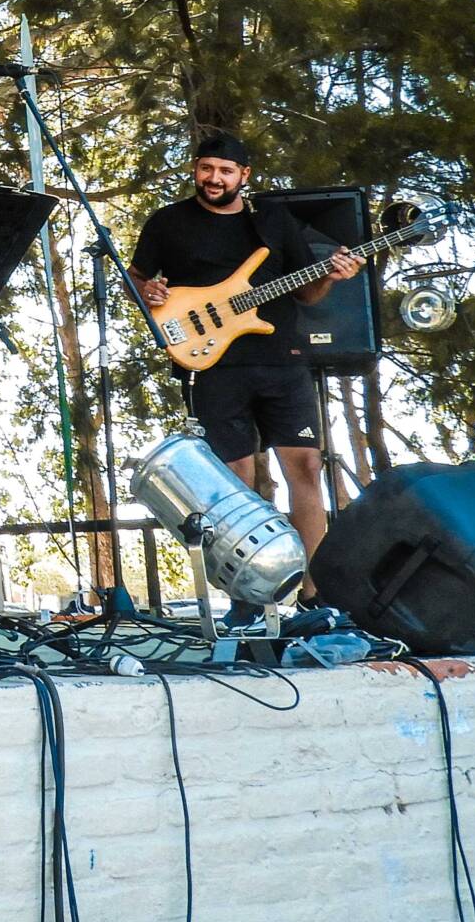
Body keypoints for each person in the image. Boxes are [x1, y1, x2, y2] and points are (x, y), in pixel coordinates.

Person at [129, 131, 360, 607]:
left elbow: (307, 291)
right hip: (212, 361)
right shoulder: (168, 222)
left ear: (244, 176)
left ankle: (315, 596)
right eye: (206, 168)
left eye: (225, 171)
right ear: (195, 169)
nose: (214, 179)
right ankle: (249, 599)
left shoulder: (271, 222)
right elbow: (137, 278)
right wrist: (147, 294)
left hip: (282, 358)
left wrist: (331, 278)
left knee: (307, 466)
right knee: (235, 476)